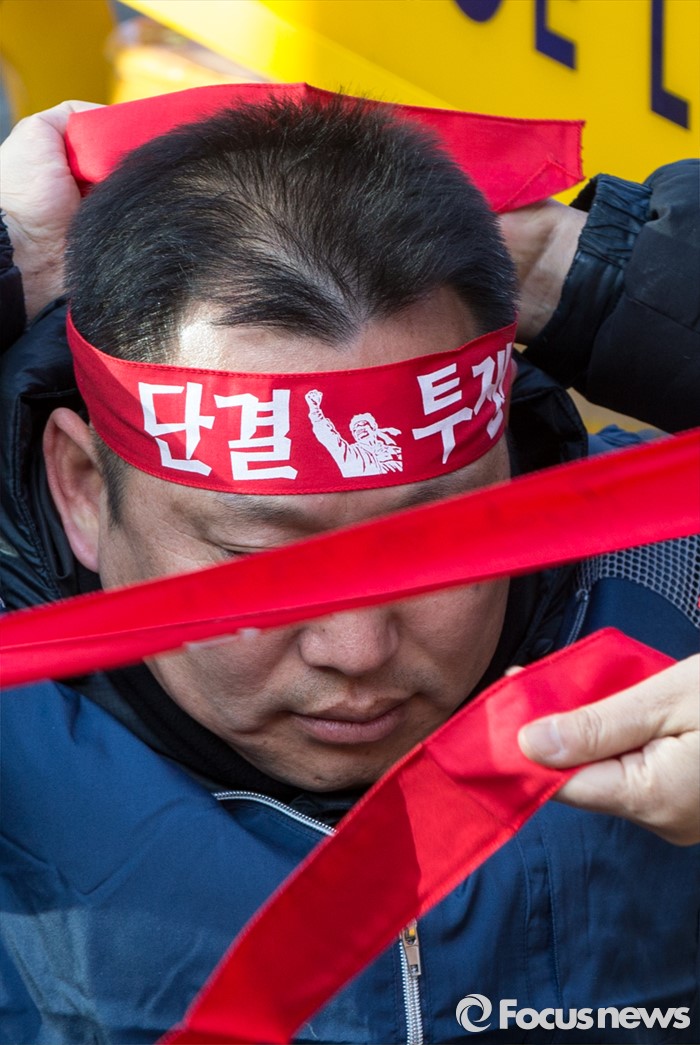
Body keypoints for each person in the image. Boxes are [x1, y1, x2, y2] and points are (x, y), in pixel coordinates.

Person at [0, 93, 698, 1044]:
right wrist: (21, 262)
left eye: (446, 539)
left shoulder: (666, 568)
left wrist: (573, 266)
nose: (358, 647)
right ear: (84, 489)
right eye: (259, 566)